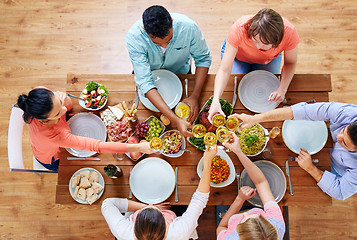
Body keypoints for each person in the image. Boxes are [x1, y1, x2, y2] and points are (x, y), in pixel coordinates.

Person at [232, 102, 357, 200]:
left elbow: (341, 192)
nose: (338, 136)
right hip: (316, 136)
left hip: (329, 166)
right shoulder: (350, 113)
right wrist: (256, 118)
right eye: (343, 130)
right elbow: (304, 111)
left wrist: (311, 169)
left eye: (344, 142)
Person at [17, 87, 155, 171]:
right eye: (58, 113)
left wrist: (64, 100)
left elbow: (69, 106)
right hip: (51, 158)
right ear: (45, 120)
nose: (64, 110)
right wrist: (138, 148)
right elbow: (97, 146)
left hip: (41, 143)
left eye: (59, 103)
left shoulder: (39, 98)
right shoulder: (55, 135)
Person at [126, 5, 212, 137]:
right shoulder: (134, 37)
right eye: (159, 44)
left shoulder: (189, 28)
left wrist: (195, 96)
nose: (165, 46)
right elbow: (145, 82)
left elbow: (203, 59)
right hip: (151, 79)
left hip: (181, 74)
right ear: (144, 30)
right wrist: (175, 119)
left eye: (169, 40)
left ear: (171, 21)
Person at [101, 145, 217, 240]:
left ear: (134, 226)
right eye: (159, 212)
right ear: (166, 226)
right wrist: (207, 162)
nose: (154, 206)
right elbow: (200, 198)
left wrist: (146, 206)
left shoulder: (123, 231)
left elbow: (107, 204)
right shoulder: (180, 231)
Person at [208, 8, 299, 122]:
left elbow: (290, 63)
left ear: (277, 41)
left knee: (266, 87)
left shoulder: (290, 32)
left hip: (268, 59)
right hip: (238, 57)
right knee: (239, 84)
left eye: (264, 43)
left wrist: (282, 89)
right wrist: (215, 99)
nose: (258, 46)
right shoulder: (239, 29)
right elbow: (224, 70)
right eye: (255, 39)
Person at [217, 132, 285, 240]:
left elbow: (222, 227)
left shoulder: (229, 238)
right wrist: (239, 152)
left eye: (244, 219)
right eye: (259, 217)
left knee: (221, 206)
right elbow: (261, 182)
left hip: (233, 209)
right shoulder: (276, 224)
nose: (245, 214)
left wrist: (240, 199)